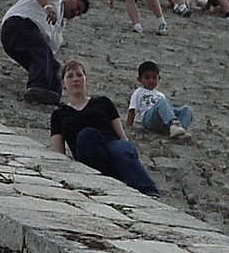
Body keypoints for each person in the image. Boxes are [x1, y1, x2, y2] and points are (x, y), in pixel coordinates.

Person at [51, 60, 161, 198]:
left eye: (79, 75)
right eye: (70, 76)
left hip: (112, 145)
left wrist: (128, 148)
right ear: (63, 83)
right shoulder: (59, 114)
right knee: (87, 134)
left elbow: (121, 135)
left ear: (86, 79)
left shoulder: (103, 102)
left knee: (120, 149)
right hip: (87, 152)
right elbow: (58, 151)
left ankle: (149, 191)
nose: (75, 79)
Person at [0, 0, 89, 104]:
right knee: (41, 52)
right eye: (77, 6)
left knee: (55, 68)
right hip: (19, 25)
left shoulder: (59, 27)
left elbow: (49, 52)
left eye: (79, 13)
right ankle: (37, 87)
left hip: (30, 38)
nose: (76, 12)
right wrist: (47, 6)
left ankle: (52, 96)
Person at [126, 61, 193, 139]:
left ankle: (180, 130)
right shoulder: (138, 92)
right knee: (162, 102)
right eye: (147, 78)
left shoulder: (160, 95)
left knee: (187, 109)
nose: (151, 80)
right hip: (149, 119)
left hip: (163, 122)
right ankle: (174, 124)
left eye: (154, 77)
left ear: (159, 79)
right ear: (140, 79)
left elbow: (166, 111)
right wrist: (128, 128)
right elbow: (132, 110)